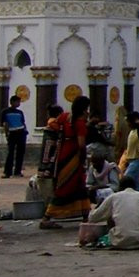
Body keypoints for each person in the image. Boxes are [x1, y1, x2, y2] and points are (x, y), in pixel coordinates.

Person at [42, 96, 93, 228]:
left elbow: (52, 124)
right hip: (73, 157)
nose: (88, 111)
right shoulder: (80, 124)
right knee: (66, 186)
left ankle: (85, 214)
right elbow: (81, 144)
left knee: (77, 185)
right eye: (87, 109)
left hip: (62, 154)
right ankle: (47, 216)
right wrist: (83, 159)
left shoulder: (65, 117)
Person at [88, 177, 139, 249]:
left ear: (120, 187)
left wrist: (97, 207)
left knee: (111, 215)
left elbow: (92, 218)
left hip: (119, 241)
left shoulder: (114, 197)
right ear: (134, 187)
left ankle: (119, 234)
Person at [0, 95, 27, 179]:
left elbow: (23, 122)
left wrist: (25, 131)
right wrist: (6, 133)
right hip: (12, 133)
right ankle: (8, 172)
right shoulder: (5, 112)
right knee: (10, 153)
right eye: (17, 101)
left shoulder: (20, 112)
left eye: (19, 102)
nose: (18, 103)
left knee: (20, 153)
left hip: (21, 132)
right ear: (11, 102)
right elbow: (5, 124)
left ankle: (17, 171)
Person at [119, 111, 139, 189]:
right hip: (131, 160)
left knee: (126, 179)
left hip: (136, 160)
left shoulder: (138, 131)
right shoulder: (132, 132)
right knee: (136, 182)